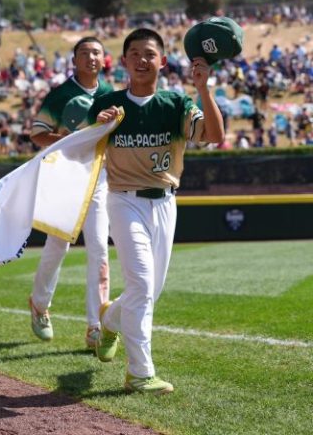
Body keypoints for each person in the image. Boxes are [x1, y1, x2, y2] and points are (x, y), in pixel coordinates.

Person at [88, 28, 224, 394]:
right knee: (143, 285)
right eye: (134, 53)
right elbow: (80, 151)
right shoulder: (108, 105)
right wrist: (97, 128)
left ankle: (110, 319)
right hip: (124, 199)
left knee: (149, 290)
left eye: (149, 53)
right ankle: (139, 372)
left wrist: (203, 89)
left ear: (162, 61)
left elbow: (214, 135)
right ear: (124, 62)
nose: (142, 59)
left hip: (165, 201)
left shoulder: (177, 104)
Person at [28, 37, 115, 347]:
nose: (91, 57)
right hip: (65, 177)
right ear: (75, 60)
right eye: (85, 53)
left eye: (96, 52)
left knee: (99, 250)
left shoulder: (113, 95)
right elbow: (36, 134)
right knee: (57, 247)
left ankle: (96, 325)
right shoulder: (60, 94)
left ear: (104, 59)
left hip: (99, 179)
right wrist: (65, 139)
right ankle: (39, 304)